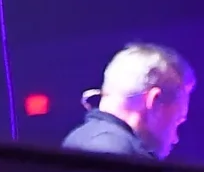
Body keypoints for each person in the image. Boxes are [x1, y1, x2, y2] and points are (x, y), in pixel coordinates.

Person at [61, 42, 195, 161]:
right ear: (155, 101)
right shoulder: (113, 152)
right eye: (177, 121)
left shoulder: (83, 138)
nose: (175, 139)